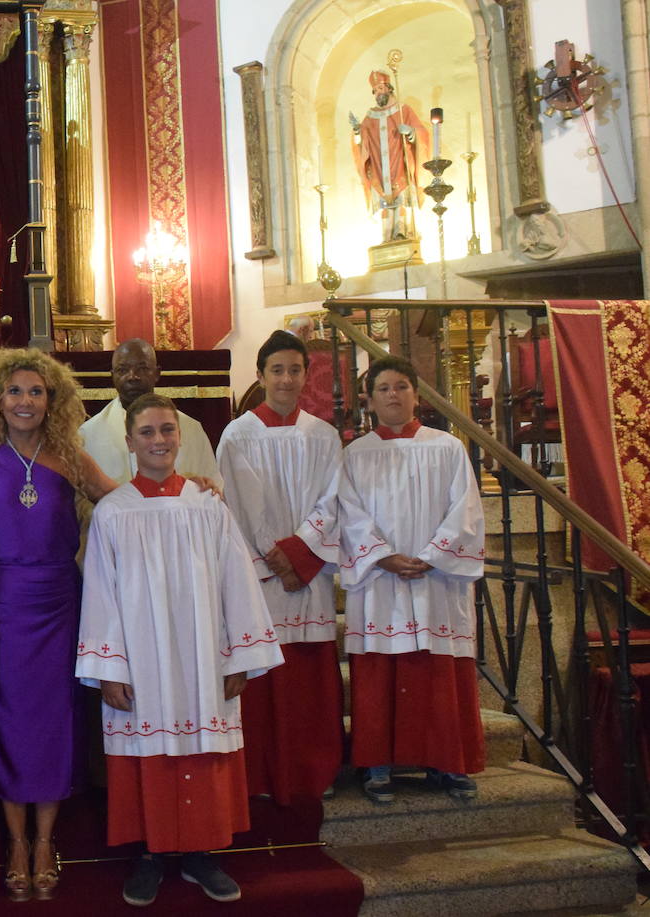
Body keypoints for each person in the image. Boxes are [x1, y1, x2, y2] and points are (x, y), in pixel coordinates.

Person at [79, 393, 284, 908]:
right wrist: (108, 668)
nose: (159, 441)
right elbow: (100, 593)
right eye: (146, 432)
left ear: (182, 436)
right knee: (147, 747)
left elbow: (237, 581)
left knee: (201, 744)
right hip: (140, 659)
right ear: (129, 442)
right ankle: (149, 854)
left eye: (167, 430)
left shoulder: (207, 505)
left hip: (201, 654)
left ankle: (201, 854)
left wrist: (239, 655)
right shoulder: (113, 512)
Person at [0, 347, 117, 903]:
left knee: (55, 720)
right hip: (1, 607)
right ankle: (15, 842)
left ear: (51, 399)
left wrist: (186, 490)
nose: (25, 400)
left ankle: (45, 840)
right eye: (14, 391)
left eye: (36, 391)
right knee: (8, 721)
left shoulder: (69, 453)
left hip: (61, 604)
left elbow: (120, 502)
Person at [339, 356, 486, 805]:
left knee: (438, 670)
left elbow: (466, 509)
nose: (392, 395)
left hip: (436, 580)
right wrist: (382, 556)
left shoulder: (447, 448)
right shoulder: (355, 454)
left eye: (401, 386)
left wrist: (430, 556)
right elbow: (347, 513)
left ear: (416, 394)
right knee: (380, 670)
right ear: (369, 399)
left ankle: (447, 762)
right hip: (381, 582)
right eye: (383, 388)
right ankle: (377, 765)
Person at [216, 331, 344, 804]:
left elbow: (333, 501)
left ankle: (312, 771)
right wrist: (280, 557)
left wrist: (301, 553)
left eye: (295, 370)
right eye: (277, 370)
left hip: (308, 576)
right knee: (265, 678)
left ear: (306, 374)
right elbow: (237, 506)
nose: (286, 379)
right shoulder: (238, 435)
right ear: (260, 375)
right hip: (262, 576)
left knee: (308, 681)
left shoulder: (323, 436)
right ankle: (264, 774)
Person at [79, 338, 221, 488]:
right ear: (112, 376)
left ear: (157, 373)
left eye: (142, 368)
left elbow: (212, 489)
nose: (132, 376)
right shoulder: (88, 434)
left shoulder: (191, 429)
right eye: (122, 370)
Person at [349, 70, 431, 244]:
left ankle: (403, 232)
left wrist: (411, 132)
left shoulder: (403, 110)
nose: (378, 93)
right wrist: (357, 131)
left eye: (381, 88)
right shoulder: (370, 116)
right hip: (379, 166)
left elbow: (422, 132)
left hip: (400, 163)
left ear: (389, 88)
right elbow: (361, 143)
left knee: (401, 197)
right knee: (385, 200)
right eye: (375, 90)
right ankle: (387, 237)